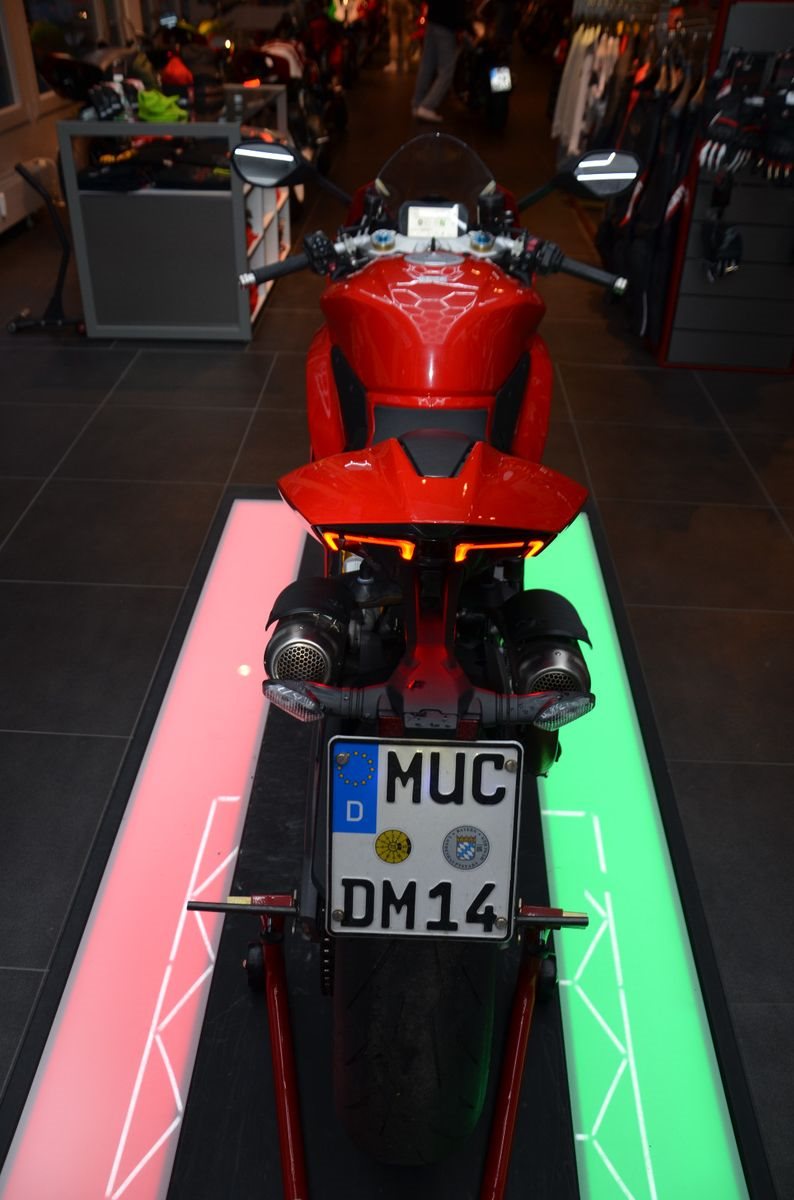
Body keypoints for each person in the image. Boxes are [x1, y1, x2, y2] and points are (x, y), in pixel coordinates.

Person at [411, 0, 464, 121]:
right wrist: (463, 25)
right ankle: (427, 106)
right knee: (447, 70)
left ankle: (417, 104)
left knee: (426, 65)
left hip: (433, 20)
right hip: (446, 23)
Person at [384, 0, 413, 73]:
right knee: (405, 34)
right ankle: (405, 62)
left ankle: (393, 62)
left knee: (394, 34)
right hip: (406, 3)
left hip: (394, 3)